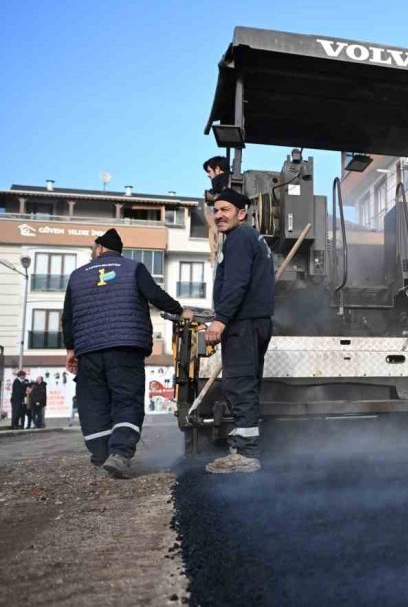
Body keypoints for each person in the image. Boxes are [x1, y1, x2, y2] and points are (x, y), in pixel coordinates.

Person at [63, 228, 193, 478]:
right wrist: (180, 311)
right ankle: (120, 454)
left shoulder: (77, 276)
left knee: (93, 403)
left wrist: (71, 349)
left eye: (94, 248)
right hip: (125, 348)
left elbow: (67, 317)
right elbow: (156, 296)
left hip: (88, 351)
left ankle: (101, 454)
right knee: (127, 399)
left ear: (100, 248)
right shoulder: (133, 268)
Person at [204, 188, 274, 474]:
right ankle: (244, 448)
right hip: (255, 321)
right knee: (247, 385)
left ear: (241, 213)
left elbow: (236, 282)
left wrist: (221, 319)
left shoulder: (239, 239)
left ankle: (246, 455)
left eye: (225, 210)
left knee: (239, 384)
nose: (219, 215)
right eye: (216, 211)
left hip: (243, 323)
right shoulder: (251, 238)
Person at [203, 155, 231, 265]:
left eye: (210, 171)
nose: (208, 175)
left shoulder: (224, 187)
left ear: (218, 169)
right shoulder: (224, 187)